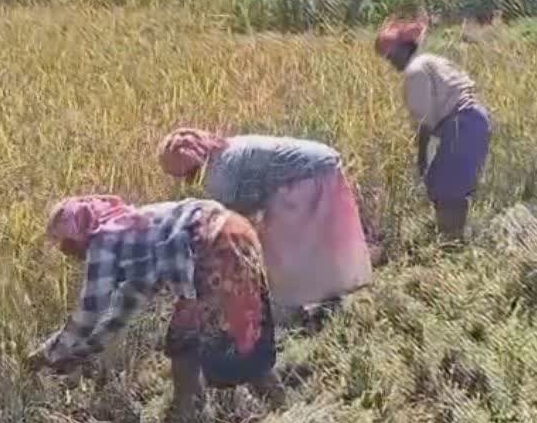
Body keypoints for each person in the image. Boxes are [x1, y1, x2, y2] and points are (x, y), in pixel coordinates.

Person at [27, 195, 285, 423]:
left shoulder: (103, 241)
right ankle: (281, 408)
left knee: (186, 347)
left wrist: (50, 353)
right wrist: (83, 352)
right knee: (242, 334)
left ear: (77, 232)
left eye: (65, 243)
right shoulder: (131, 232)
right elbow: (120, 312)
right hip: (238, 234)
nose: (67, 253)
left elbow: (90, 312)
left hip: (212, 248)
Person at [157, 128, 374, 322]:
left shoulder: (218, 175)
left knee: (281, 251)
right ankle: (326, 297)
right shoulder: (224, 151)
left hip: (307, 177)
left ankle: (290, 313)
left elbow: (236, 220)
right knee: (310, 242)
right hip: (320, 164)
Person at [375, 18, 493, 245]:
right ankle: (453, 242)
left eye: (391, 56)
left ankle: (450, 245)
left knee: (444, 186)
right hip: (475, 120)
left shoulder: (415, 71)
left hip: (463, 124)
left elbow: (424, 124)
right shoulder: (430, 61)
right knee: (451, 185)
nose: (390, 62)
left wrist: (421, 163)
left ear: (403, 49)